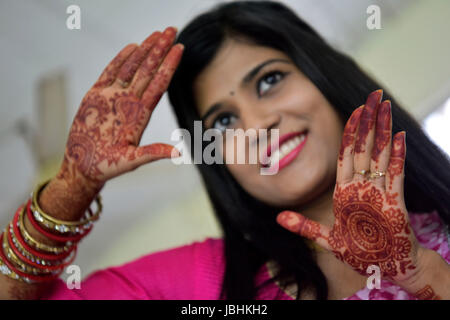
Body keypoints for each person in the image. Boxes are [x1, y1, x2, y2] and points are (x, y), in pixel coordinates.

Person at [0, 1, 448, 300]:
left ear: (324, 76)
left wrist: (420, 273)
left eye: (270, 80)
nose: (256, 126)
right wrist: (71, 190)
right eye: (224, 121)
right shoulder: (205, 286)